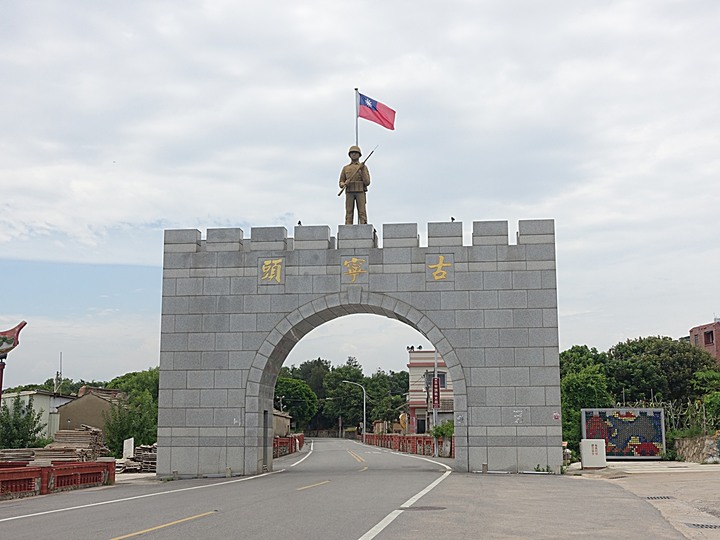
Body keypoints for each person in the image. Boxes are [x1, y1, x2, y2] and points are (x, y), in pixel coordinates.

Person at [339, 145, 371, 224]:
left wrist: (362, 169)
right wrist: (344, 184)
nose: (354, 154)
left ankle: (364, 226)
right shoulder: (345, 168)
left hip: (360, 191)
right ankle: (348, 228)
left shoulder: (363, 167)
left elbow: (367, 182)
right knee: (349, 212)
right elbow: (340, 182)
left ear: (359, 155)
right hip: (349, 191)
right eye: (352, 153)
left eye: (356, 153)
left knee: (362, 212)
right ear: (349, 155)